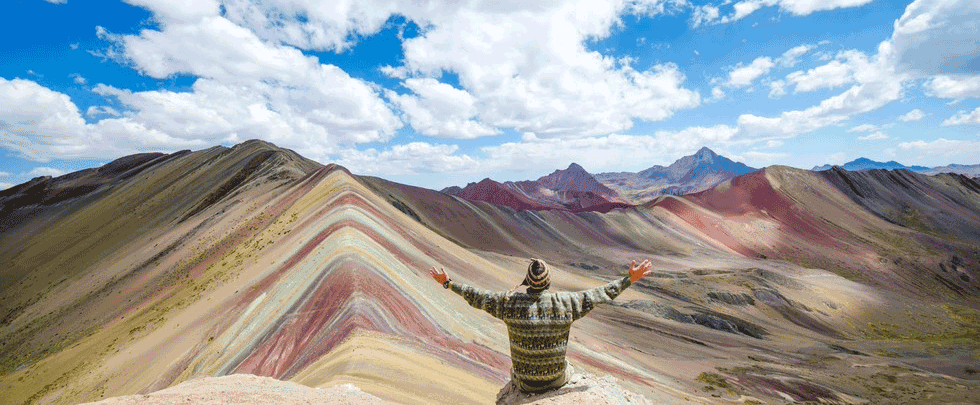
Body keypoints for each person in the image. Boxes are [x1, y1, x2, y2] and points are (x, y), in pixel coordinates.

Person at [429, 258, 653, 393]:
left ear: (527, 282)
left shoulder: (509, 304)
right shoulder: (566, 303)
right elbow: (600, 294)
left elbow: (477, 295)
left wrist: (448, 283)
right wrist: (629, 279)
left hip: (524, 383)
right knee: (569, 365)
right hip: (556, 380)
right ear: (548, 282)